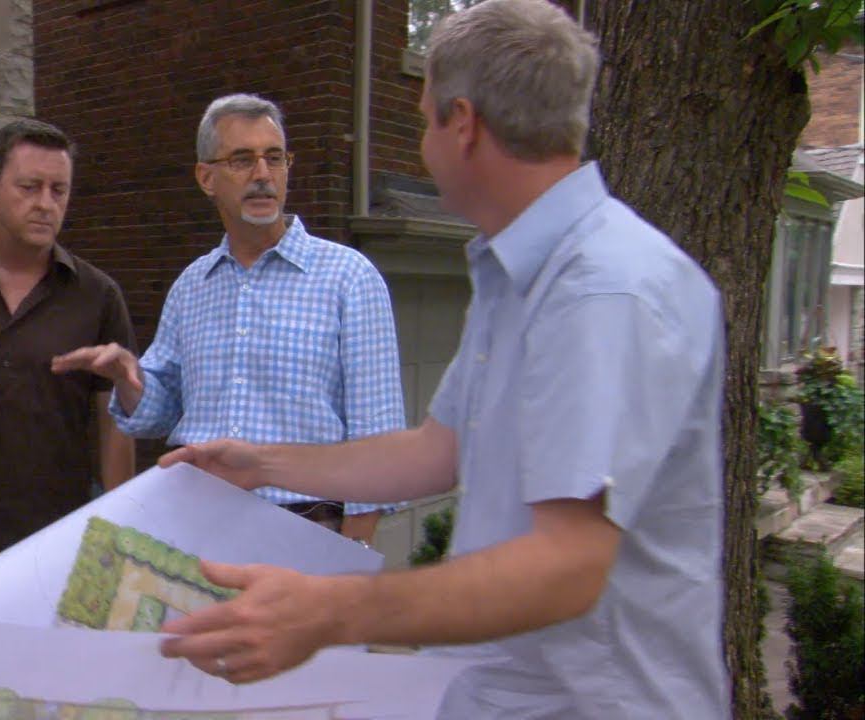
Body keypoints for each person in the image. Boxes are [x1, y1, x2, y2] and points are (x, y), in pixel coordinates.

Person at [155, 1, 730, 717]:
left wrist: (330, 609)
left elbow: (568, 567)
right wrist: (265, 464)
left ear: (464, 125)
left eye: (426, 120)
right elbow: (437, 450)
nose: (423, 141)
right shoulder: (519, 277)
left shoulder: (603, 291)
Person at [52, 94, 406, 543]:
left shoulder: (349, 278)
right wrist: (127, 377)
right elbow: (159, 413)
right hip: (196, 530)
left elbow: (378, 437)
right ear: (206, 177)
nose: (262, 175)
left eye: (274, 158)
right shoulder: (192, 286)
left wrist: (353, 550)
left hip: (305, 531)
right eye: (242, 160)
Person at [0, 118, 137, 585]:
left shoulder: (98, 296)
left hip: (59, 536)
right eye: (29, 187)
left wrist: (118, 527)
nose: (45, 204)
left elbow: (115, 425)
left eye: (59, 190)